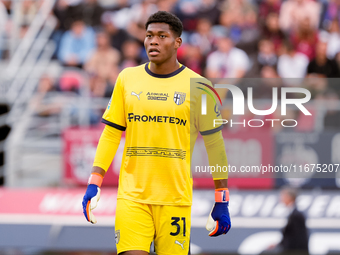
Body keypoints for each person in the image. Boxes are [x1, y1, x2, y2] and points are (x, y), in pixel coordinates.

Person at [82, 11, 231, 255]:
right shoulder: (127, 78)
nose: (153, 41)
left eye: (162, 36)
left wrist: (222, 197)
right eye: (149, 35)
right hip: (132, 196)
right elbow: (111, 134)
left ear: (177, 43)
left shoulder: (200, 86)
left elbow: (215, 144)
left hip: (175, 199)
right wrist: (94, 181)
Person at [267, 187, 309, 255]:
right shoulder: (292, 214)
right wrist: (278, 244)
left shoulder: (296, 215)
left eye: (283, 196)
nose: (281, 198)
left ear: (289, 197)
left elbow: (298, 238)